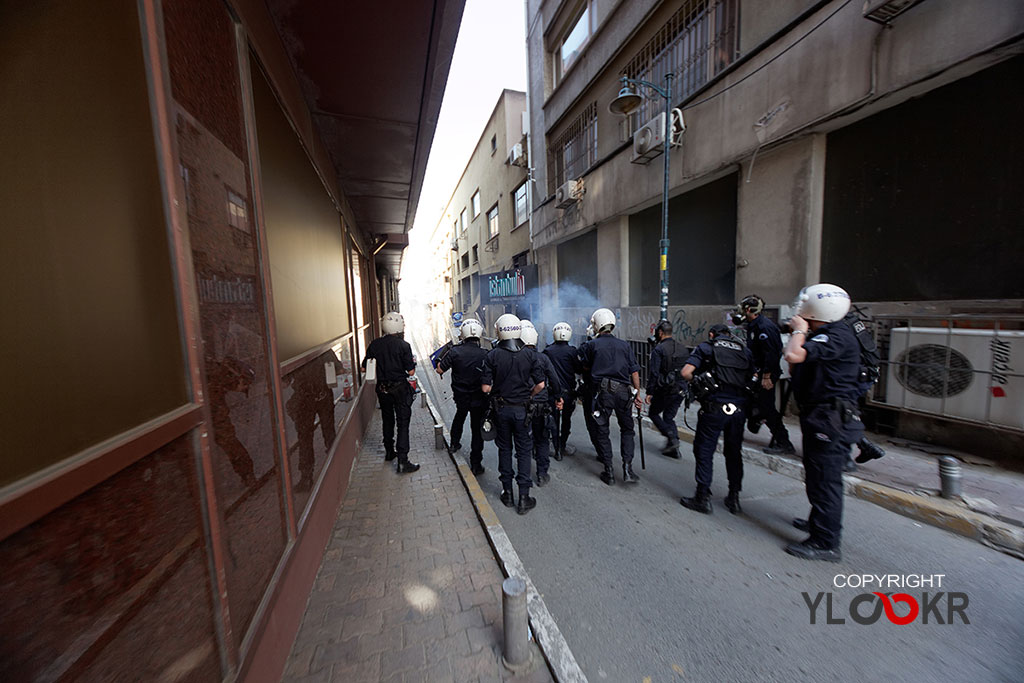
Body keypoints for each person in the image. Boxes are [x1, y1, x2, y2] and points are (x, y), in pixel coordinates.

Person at [784, 284, 861, 562]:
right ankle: (818, 523)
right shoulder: (823, 335)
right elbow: (795, 366)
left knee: (826, 479)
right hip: (820, 415)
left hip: (830, 417)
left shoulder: (836, 336)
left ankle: (826, 542)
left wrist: (799, 331)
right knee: (816, 475)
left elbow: (792, 356)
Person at [679, 324, 755, 514]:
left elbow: (686, 372)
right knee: (734, 453)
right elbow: (753, 376)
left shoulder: (707, 347)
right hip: (738, 411)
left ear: (712, 334)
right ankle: (734, 498)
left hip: (714, 408)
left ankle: (702, 497)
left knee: (704, 450)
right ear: (729, 335)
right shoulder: (744, 351)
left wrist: (699, 383)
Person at [481, 313, 546, 514]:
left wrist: (499, 392)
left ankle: (507, 493)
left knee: (505, 449)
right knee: (524, 451)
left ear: (499, 330)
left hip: (501, 409)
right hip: (522, 409)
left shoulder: (492, 356)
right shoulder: (530, 355)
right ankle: (524, 497)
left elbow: (485, 388)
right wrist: (528, 395)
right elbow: (541, 385)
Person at [580, 308, 642, 486]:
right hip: (624, 392)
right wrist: (637, 393)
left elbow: (585, 368)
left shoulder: (592, 345)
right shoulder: (625, 345)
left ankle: (609, 471)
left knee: (602, 429)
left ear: (596, 325)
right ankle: (628, 468)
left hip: (603, 393)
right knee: (627, 429)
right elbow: (635, 371)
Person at [736, 295, 797, 456]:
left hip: (766, 372)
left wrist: (767, 376)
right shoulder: (753, 325)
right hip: (756, 371)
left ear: (749, 310)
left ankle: (783, 441)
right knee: (747, 398)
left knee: (768, 407)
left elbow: (771, 354)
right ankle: (756, 419)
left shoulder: (764, 327)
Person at [363, 312, 419, 474]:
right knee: (402, 422)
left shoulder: (374, 345)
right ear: (399, 326)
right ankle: (403, 460)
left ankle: (389, 451)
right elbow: (410, 371)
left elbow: (364, 367)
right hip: (399, 388)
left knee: (387, 419)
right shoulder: (403, 346)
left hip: (382, 389)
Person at [436, 318, 489, 476]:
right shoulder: (485, 353)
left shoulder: (454, 351)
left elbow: (440, 370)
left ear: (463, 334)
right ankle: (476, 464)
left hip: (461, 396)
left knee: (459, 417)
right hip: (479, 397)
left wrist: (441, 356)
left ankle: (454, 444)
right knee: (476, 429)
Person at [521, 323, 563, 487]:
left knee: (524, 440)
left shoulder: (516, 357)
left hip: (522, 405)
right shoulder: (543, 358)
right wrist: (558, 397)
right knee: (542, 440)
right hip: (541, 406)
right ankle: (542, 473)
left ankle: (524, 475)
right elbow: (554, 380)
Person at [644, 320, 688, 459]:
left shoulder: (659, 349)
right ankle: (673, 447)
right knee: (669, 417)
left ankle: (671, 437)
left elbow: (654, 373)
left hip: (665, 390)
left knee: (654, 413)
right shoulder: (683, 348)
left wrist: (650, 391)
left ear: (660, 333)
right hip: (680, 389)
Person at [543, 322, 582, 459]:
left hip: (552, 392)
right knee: (566, 419)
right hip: (568, 393)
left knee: (553, 419)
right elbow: (579, 369)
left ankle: (556, 448)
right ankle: (562, 445)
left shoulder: (548, 351)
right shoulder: (572, 351)